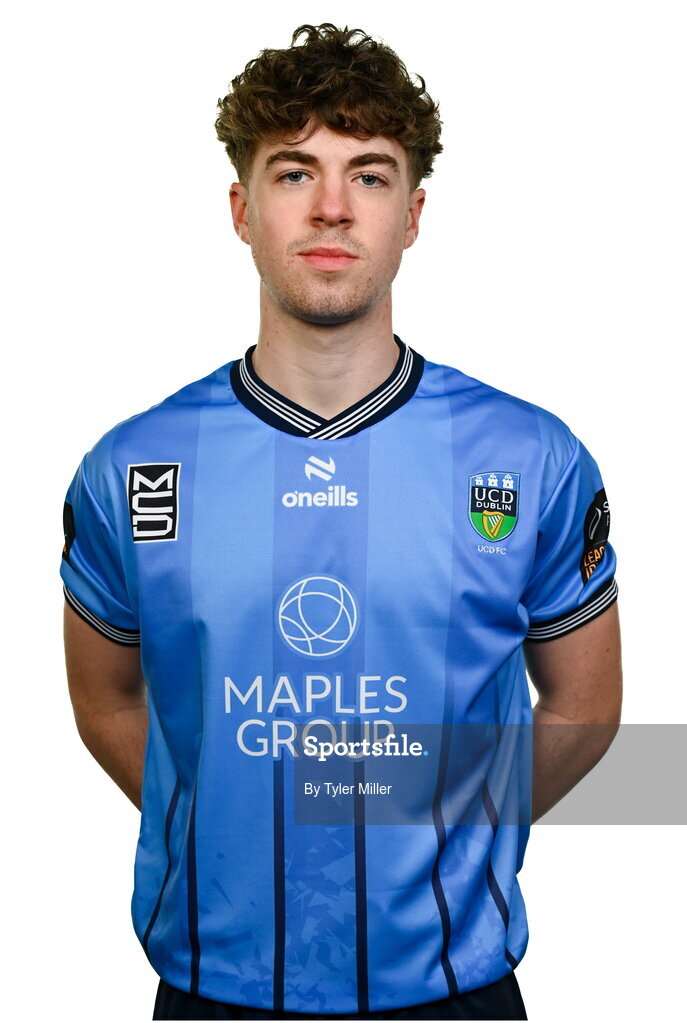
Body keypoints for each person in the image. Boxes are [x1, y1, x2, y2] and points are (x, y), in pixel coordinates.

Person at [60, 23, 622, 1022]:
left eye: (367, 175)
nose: (330, 206)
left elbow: (583, 711)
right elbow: (107, 702)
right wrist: (234, 824)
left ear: (412, 214)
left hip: (455, 990)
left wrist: (440, 826)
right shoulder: (134, 468)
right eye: (292, 172)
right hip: (209, 988)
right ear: (241, 209)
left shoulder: (527, 457)